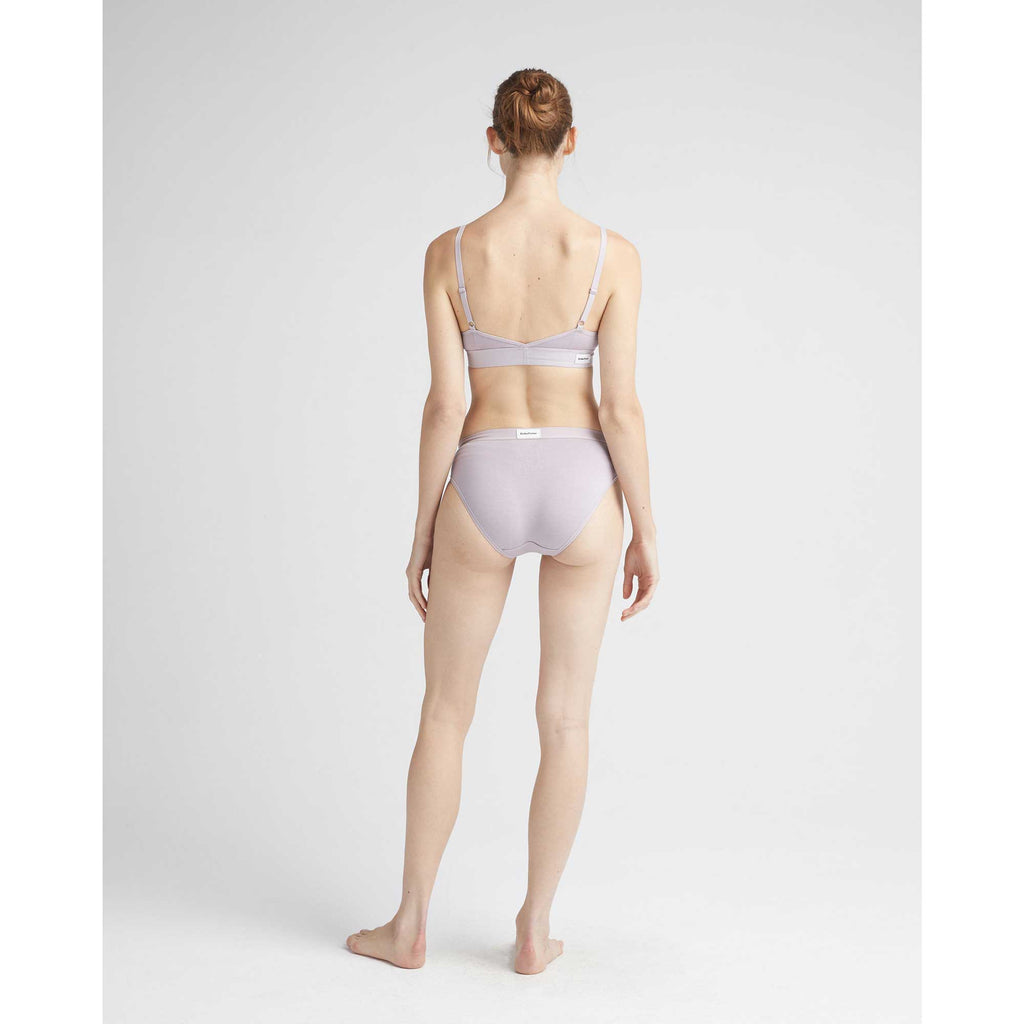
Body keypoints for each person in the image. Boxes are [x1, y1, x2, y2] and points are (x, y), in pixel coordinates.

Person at [347, 68, 658, 975]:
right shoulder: (612, 255)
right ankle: (534, 929)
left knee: (445, 712)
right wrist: (645, 527)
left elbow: (446, 404)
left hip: (482, 476)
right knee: (564, 721)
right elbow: (621, 407)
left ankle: (409, 926)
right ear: (570, 143)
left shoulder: (450, 253)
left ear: (493, 141)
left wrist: (422, 529)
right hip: (581, 482)